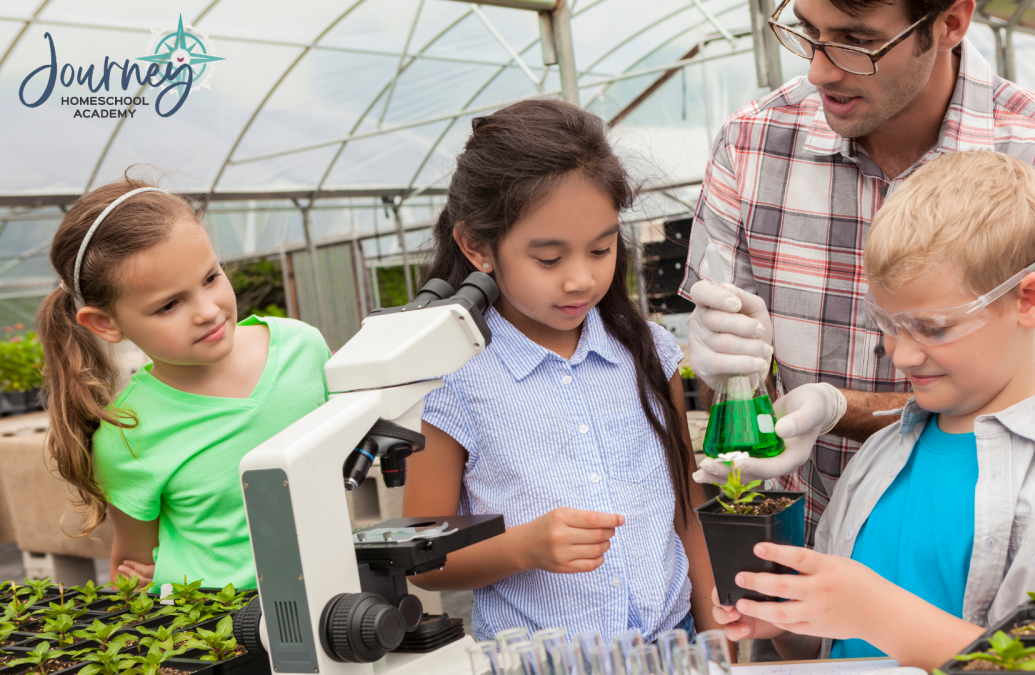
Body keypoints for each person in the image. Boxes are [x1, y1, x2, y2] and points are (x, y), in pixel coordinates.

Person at [708, 151, 1035, 670]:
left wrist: (879, 614)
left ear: (1029, 299)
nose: (902, 354)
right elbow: (836, 649)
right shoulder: (879, 459)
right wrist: (787, 621)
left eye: (932, 328)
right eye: (888, 324)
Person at [683, 0, 1035, 541]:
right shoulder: (750, 146)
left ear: (950, 23)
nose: (819, 70)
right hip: (800, 533)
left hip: (971, 539)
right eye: (809, 32)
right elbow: (732, 380)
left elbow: (1026, 407)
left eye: (856, 42)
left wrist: (839, 410)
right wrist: (729, 375)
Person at [403, 99, 719, 642]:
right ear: (477, 247)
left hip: (675, 645)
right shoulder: (451, 380)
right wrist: (524, 547)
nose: (579, 279)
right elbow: (425, 560)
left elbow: (688, 510)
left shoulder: (648, 350)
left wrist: (721, 642)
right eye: (549, 259)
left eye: (600, 249)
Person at [37, 176, 332, 591]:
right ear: (106, 323)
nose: (208, 311)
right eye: (169, 305)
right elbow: (135, 570)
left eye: (211, 277)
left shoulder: (304, 349)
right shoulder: (128, 434)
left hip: (340, 597)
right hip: (220, 632)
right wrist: (167, 586)